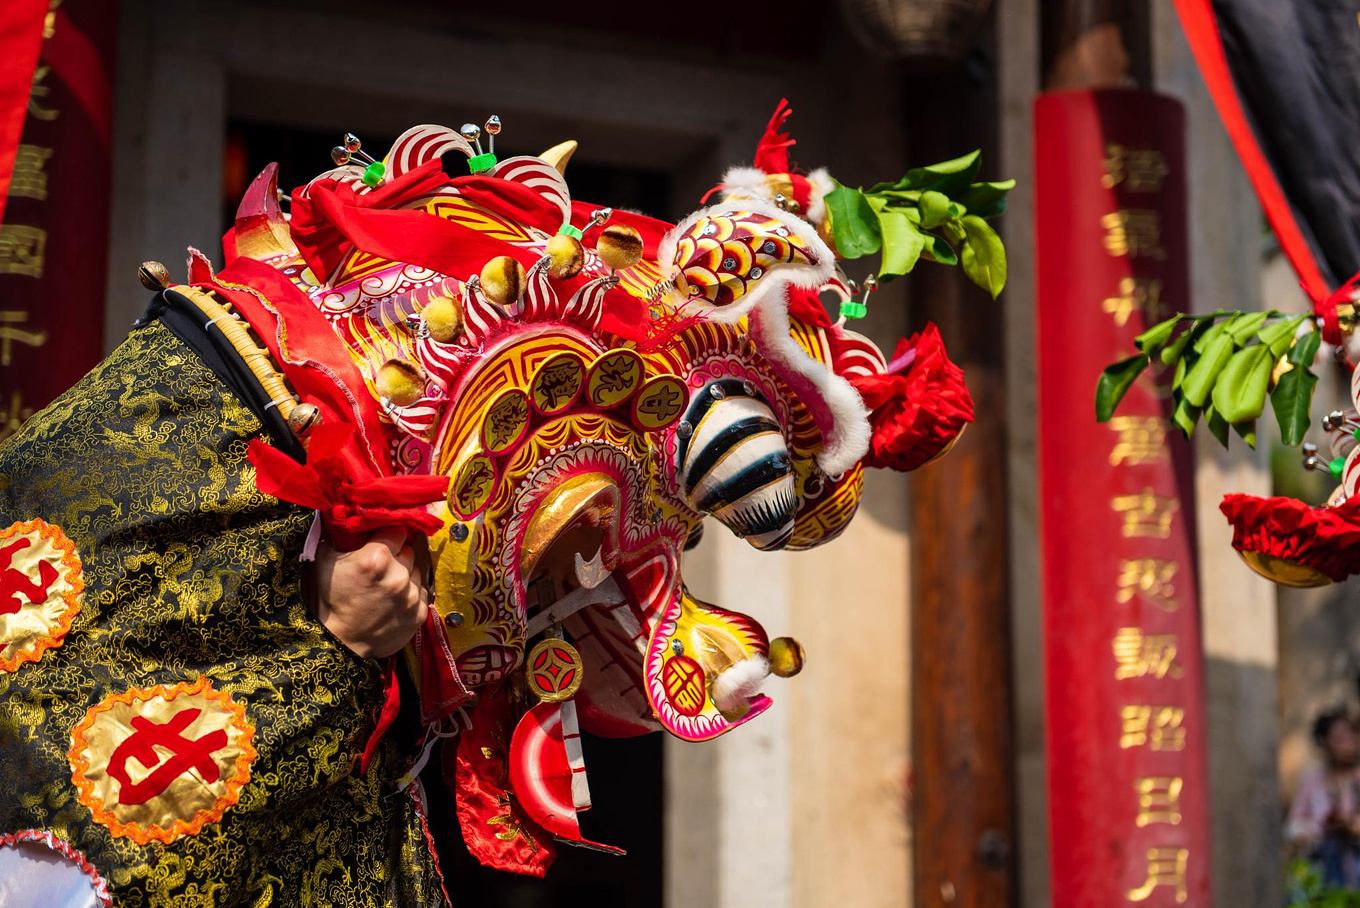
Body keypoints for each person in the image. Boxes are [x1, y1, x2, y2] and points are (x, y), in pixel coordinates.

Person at [1287, 708, 1360, 889]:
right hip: (1324, 874)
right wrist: (1317, 830)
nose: (1348, 744)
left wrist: (1352, 826)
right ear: (1325, 743)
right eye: (1339, 739)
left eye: (1351, 736)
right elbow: (1294, 825)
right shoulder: (1313, 779)